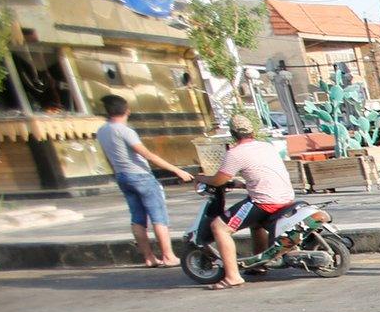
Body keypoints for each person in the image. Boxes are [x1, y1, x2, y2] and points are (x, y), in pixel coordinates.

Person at [202, 113, 299, 289]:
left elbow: (219, 181)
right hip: (286, 196)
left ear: (232, 134)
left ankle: (232, 276)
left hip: (265, 201)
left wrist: (202, 178)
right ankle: (258, 263)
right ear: (253, 132)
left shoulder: (235, 153)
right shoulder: (266, 146)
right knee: (255, 223)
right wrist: (242, 184)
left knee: (219, 226)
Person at [96, 95, 192, 268]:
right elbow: (146, 154)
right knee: (158, 216)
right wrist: (177, 170)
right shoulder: (125, 131)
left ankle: (149, 257)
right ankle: (168, 256)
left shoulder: (102, 131)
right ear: (127, 111)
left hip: (122, 175)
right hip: (140, 175)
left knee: (137, 217)